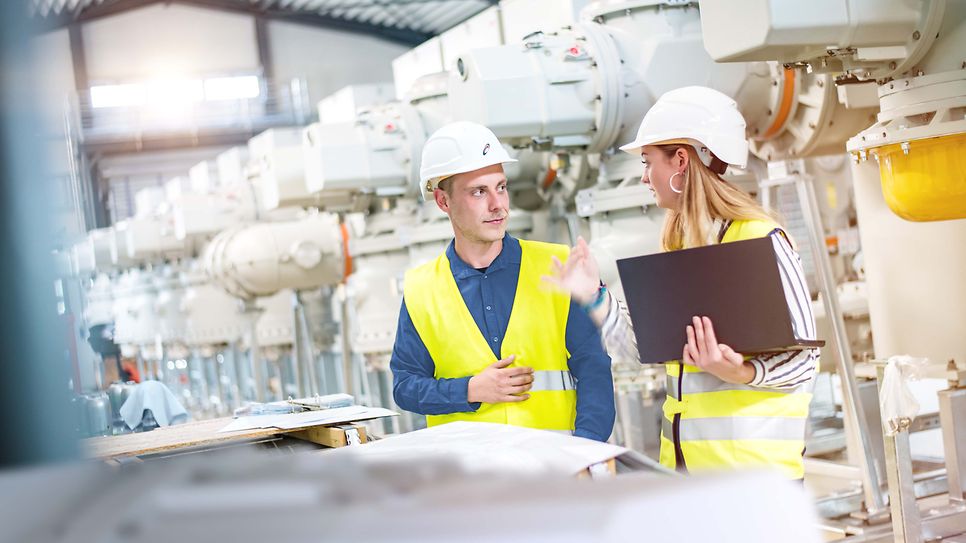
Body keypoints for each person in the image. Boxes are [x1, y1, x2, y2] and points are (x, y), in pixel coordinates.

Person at [545, 87, 819, 478]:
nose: (643, 177)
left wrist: (741, 372)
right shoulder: (681, 248)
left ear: (680, 161)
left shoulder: (760, 240)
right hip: (686, 474)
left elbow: (805, 362)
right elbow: (643, 348)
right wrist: (594, 295)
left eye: (647, 162)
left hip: (754, 483)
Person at [390, 121, 615, 441]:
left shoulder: (557, 265)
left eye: (501, 187)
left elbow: (594, 370)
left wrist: (587, 450)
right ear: (443, 201)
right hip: (471, 482)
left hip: (553, 472)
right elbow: (405, 387)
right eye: (479, 192)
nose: (498, 205)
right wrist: (469, 390)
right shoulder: (420, 289)